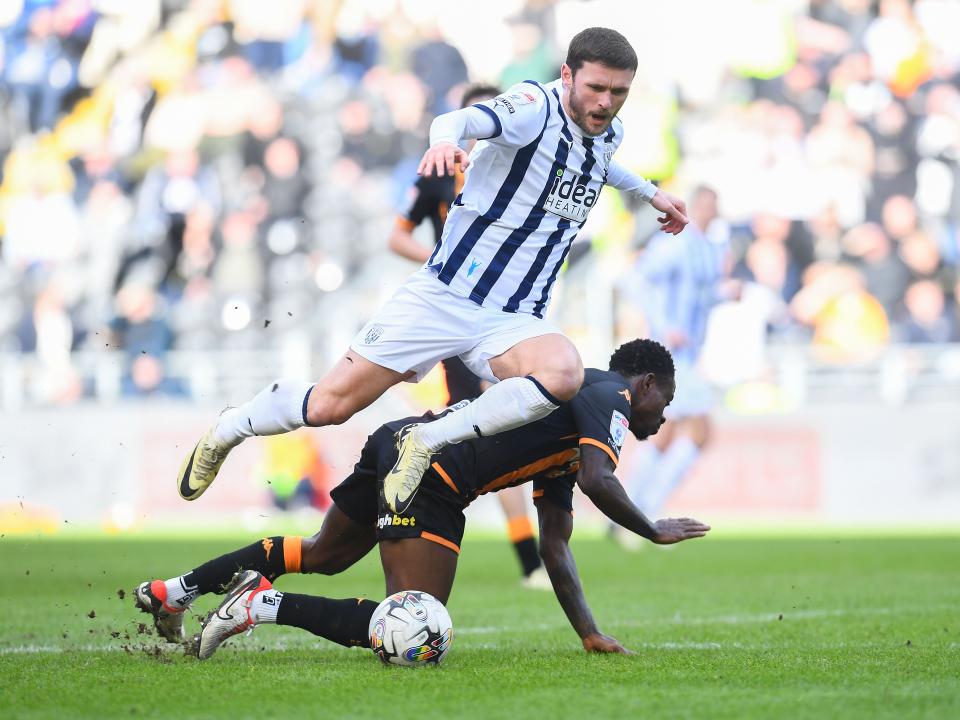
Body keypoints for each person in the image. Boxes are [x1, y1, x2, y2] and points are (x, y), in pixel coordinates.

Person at [176, 28, 689, 530]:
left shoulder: (608, 132)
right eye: (595, 88)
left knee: (563, 371)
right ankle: (230, 427)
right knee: (332, 405)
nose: (605, 102)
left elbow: (599, 163)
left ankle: (427, 440)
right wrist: (446, 143)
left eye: (618, 92)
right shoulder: (535, 107)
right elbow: (455, 118)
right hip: (444, 297)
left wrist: (651, 193)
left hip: (511, 318)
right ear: (566, 75)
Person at [137, 339, 710, 658]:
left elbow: (555, 547)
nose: (662, 420)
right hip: (432, 475)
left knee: (321, 554)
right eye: (666, 404)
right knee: (411, 626)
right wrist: (652, 529)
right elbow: (600, 481)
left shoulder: (570, 424)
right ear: (647, 385)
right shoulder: (607, 394)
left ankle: (175, 591)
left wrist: (587, 631)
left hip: (398, 442)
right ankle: (262, 605)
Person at [390, 82, 549, 589]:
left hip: (507, 314)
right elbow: (396, 235)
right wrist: (439, 261)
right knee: (472, 431)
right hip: (457, 315)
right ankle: (412, 525)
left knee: (511, 428)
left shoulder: (524, 172)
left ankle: (529, 561)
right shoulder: (440, 172)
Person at [622, 187, 728, 536]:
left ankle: (628, 511)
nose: (709, 212)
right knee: (699, 430)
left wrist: (726, 293)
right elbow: (636, 280)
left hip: (688, 355)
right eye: (703, 206)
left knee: (665, 433)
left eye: (713, 207)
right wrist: (665, 327)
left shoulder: (709, 250)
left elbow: (703, 296)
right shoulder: (672, 246)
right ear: (692, 207)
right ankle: (643, 510)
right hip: (669, 354)